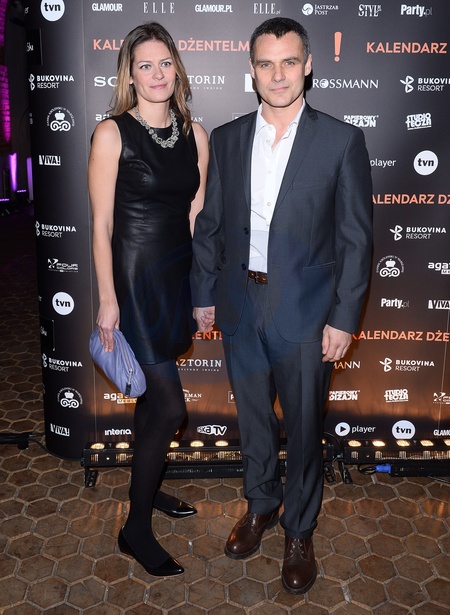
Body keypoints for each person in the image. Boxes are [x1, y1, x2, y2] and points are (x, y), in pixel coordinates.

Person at [190, 17, 372, 594]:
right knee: (253, 420)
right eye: (265, 64)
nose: (277, 75)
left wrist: (343, 317)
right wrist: (203, 294)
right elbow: (210, 225)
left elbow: (356, 240)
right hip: (240, 304)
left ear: (308, 65)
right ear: (251, 70)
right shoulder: (227, 138)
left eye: (288, 62)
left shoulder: (341, 140)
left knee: (304, 425)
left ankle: (299, 530)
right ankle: (261, 504)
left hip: (308, 311)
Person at [88, 22, 209, 577]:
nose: (157, 74)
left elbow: (195, 217)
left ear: (176, 69)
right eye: (145, 65)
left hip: (175, 278)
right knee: (170, 407)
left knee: (150, 403)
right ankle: (134, 528)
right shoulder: (111, 133)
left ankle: (148, 485)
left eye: (165, 63)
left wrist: (200, 289)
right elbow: (101, 224)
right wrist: (107, 298)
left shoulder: (195, 134)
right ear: (130, 75)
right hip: (134, 282)